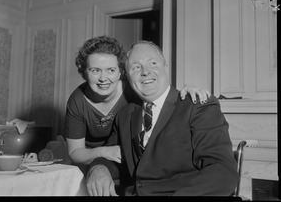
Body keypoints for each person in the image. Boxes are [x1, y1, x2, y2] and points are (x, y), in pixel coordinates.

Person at [86, 40, 238, 196]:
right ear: (127, 76)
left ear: (166, 67)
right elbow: (113, 156)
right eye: (136, 67)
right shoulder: (126, 114)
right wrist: (99, 168)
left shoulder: (197, 106)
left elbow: (222, 171)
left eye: (153, 63)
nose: (145, 71)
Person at [65, 36, 211, 181]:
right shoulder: (77, 101)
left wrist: (186, 91)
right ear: (85, 72)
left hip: (129, 159)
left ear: (121, 72)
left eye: (110, 70)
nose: (103, 78)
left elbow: (162, 95)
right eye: (95, 70)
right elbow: (75, 152)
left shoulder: (133, 88)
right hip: (91, 159)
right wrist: (104, 152)